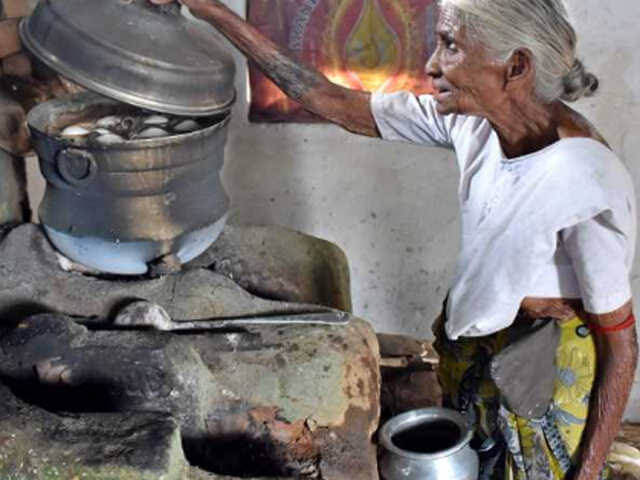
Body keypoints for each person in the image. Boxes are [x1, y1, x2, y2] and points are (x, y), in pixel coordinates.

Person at [151, 0, 637, 478]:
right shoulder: (472, 122)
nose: (430, 66)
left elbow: (620, 344)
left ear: (515, 67)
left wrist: (590, 470)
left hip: (544, 369)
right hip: (479, 344)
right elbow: (330, 100)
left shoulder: (584, 177)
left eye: (450, 46)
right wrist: (211, 10)